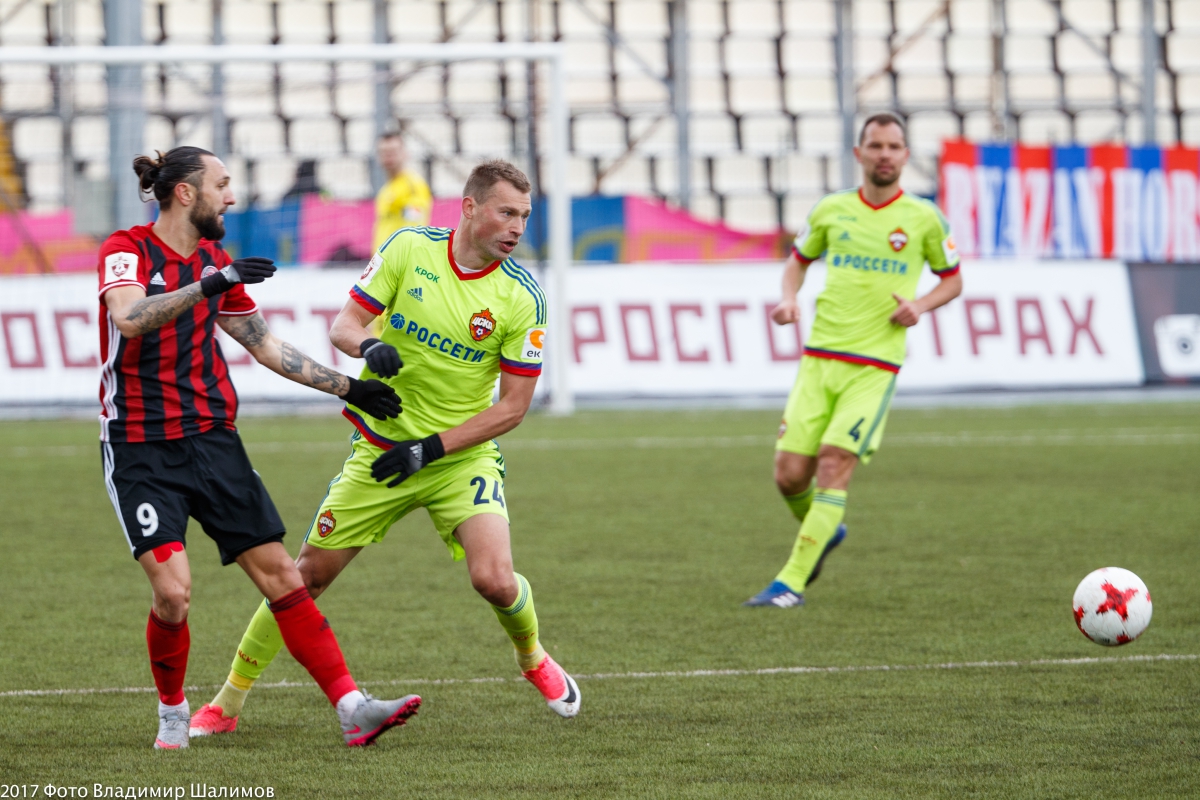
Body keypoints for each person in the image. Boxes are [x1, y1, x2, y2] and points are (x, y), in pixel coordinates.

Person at [189, 158, 578, 739]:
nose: (517, 228)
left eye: (523, 216)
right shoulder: (409, 248)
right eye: (506, 213)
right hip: (380, 450)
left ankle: (533, 657)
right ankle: (226, 703)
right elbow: (344, 327)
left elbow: (512, 408)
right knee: (302, 579)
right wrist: (369, 347)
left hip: (458, 457)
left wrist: (430, 450)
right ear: (470, 208)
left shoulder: (522, 297)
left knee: (495, 580)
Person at [99, 145, 421, 748]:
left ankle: (352, 708)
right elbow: (130, 317)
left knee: (282, 576)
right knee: (173, 594)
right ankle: (173, 710)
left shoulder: (216, 261)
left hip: (213, 440)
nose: (231, 196)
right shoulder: (127, 248)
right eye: (221, 184)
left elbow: (266, 346)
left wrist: (350, 387)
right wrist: (211, 283)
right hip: (140, 446)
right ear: (186, 192)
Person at [744, 112, 964, 608]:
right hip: (819, 359)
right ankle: (826, 528)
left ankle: (789, 584)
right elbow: (797, 264)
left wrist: (920, 305)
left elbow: (952, 280)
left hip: (874, 366)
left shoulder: (924, 218)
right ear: (858, 153)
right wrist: (788, 299)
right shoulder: (831, 210)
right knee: (789, 475)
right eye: (876, 145)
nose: (885, 154)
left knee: (834, 461)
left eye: (893, 146)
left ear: (906, 155)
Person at [373, 132, 432, 251]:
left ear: (405, 153)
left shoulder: (412, 186)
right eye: (384, 152)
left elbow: (414, 227)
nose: (388, 156)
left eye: (393, 152)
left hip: (400, 258)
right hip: (384, 258)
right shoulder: (386, 189)